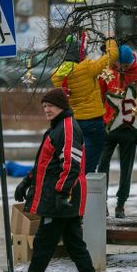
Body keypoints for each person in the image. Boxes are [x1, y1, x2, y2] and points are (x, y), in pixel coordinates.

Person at [0, 89, 101, 272]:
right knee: (74, 244)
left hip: (61, 198)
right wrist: (27, 181)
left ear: (62, 106)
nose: (46, 109)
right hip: (60, 198)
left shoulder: (68, 128)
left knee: (44, 244)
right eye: (44, 106)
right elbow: (46, 164)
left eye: (50, 105)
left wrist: (62, 194)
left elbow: (72, 165)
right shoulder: (58, 128)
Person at [51, 37, 119, 173]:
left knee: (76, 161)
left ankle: (75, 189)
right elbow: (112, 55)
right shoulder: (86, 68)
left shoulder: (56, 75)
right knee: (89, 166)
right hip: (93, 123)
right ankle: (84, 190)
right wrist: (110, 40)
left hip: (73, 123)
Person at [97, 45, 137, 218]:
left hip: (129, 128)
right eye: (119, 64)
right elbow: (100, 95)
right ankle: (102, 202)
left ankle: (121, 204)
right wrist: (104, 114)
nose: (122, 68)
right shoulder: (107, 71)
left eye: (125, 65)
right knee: (102, 165)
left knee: (127, 168)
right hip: (108, 125)